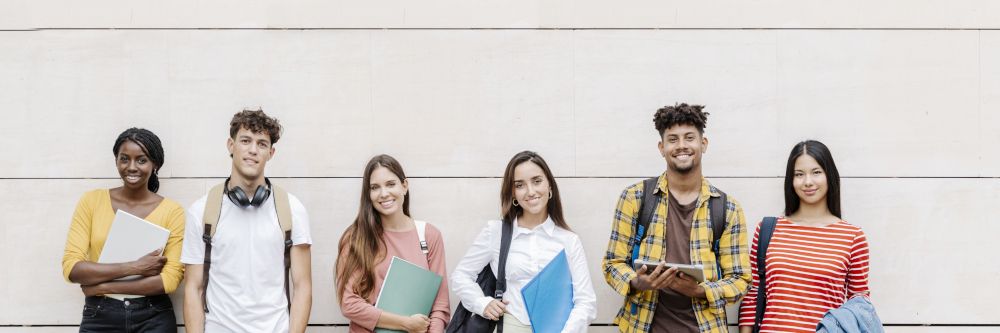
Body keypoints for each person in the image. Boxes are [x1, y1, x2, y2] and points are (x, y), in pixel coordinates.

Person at [602, 103, 751, 333]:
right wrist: (636, 282)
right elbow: (612, 264)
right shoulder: (635, 198)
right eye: (673, 139)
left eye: (689, 137)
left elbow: (740, 279)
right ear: (662, 148)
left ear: (703, 144)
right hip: (643, 326)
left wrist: (700, 290)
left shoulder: (727, 208)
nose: (681, 145)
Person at [181, 109, 313, 333]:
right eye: (245, 140)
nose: (253, 150)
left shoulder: (293, 210)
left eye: (262, 144)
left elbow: (303, 286)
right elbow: (193, 288)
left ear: (271, 153)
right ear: (230, 145)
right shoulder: (201, 211)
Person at [451, 151, 597, 333]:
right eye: (520, 185)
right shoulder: (496, 232)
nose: (530, 191)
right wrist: (482, 303)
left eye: (537, 181)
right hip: (508, 325)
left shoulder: (569, 241)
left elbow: (586, 302)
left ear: (549, 185)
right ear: (513, 193)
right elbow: (461, 275)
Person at [738, 140, 870, 333]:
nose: (808, 181)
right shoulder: (767, 230)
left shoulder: (852, 236)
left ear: (829, 175)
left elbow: (860, 308)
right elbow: (752, 297)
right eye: (799, 174)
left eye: (816, 172)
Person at [62, 127, 185, 332]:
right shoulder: (92, 201)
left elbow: (170, 280)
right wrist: (135, 267)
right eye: (124, 159)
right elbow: (72, 269)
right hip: (100, 316)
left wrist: (103, 287)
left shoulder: (172, 211)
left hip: (153, 317)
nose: (132, 167)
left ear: (155, 164)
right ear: (116, 161)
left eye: (142, 160)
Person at [336, 154, 451, 333]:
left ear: (404, 186)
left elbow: (440, 305)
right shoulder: (356, 237)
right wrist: (405, 323)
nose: (384, 194)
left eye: (390, 184)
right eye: (375, 187)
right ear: (368, 194)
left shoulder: (429, 235)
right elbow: (349, 303)